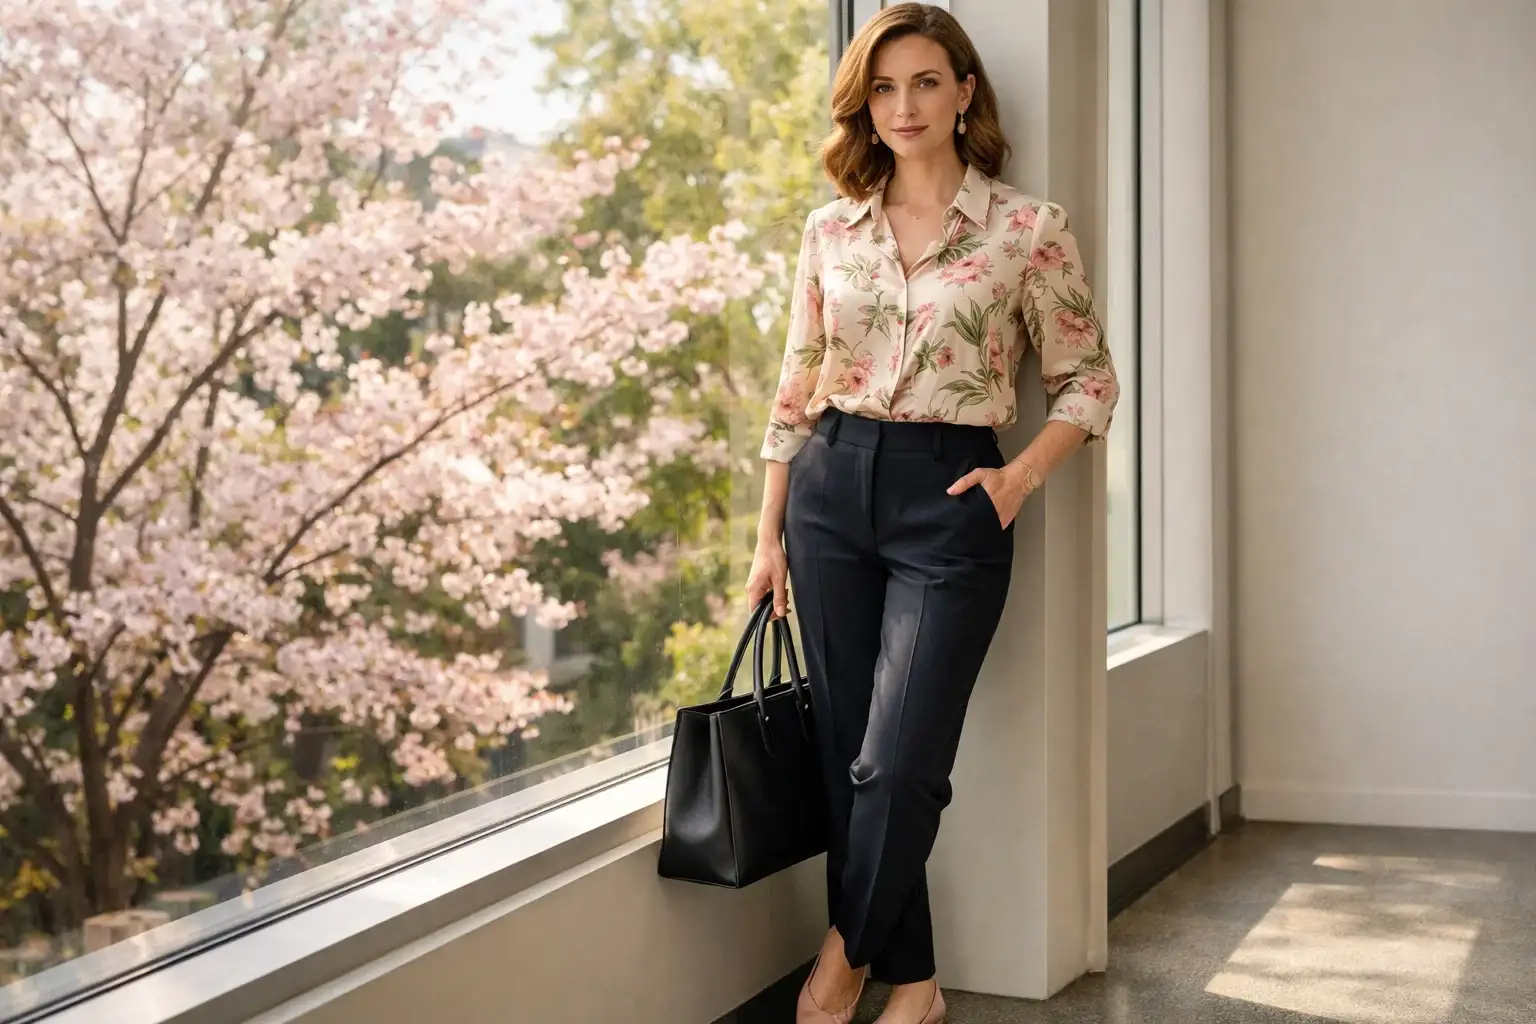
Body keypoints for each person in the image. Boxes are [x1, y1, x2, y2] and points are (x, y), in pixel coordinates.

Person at [744, 4, 1119, 1023]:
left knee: (899, 760)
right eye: (882, 87)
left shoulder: (1027, 229)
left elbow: (1088, 382)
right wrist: (767, 533)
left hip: (951, 496)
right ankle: (917, 985)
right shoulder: (830, 229)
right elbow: (796, 384)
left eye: (923, 82)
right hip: (829, 489)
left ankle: (843, 967)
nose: (902, 106)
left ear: (963, 93)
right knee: (846, 756)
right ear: (864, 106)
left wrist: (1016, 480)